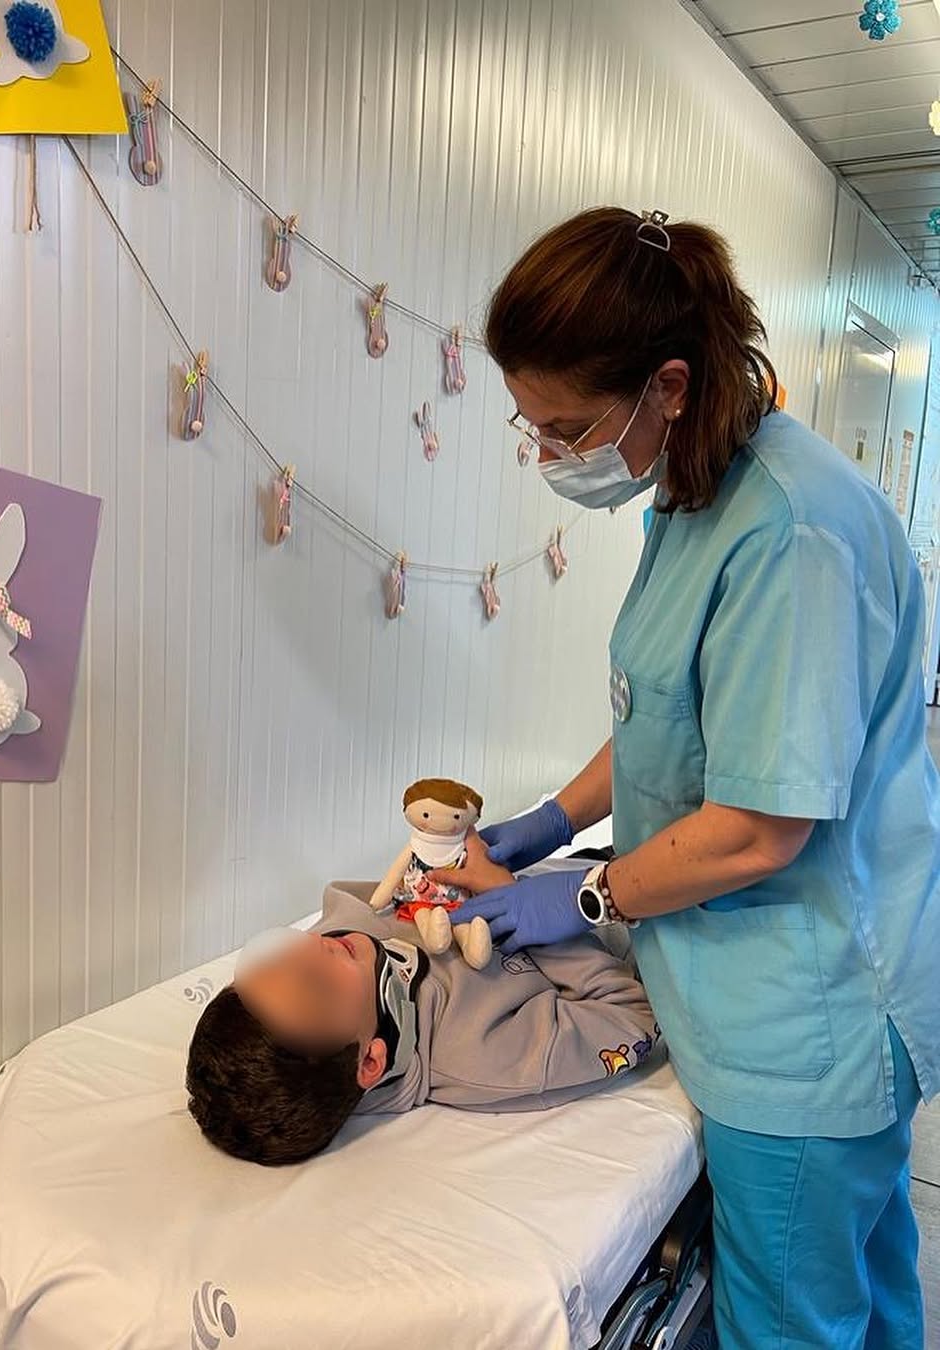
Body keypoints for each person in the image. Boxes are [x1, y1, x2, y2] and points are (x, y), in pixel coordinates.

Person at [432, 207, 940, 1350]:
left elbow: (759, 827)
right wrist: (545, 824)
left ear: (667, 386)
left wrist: (587, 891)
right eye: (532, 429)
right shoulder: (694, 486)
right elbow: (670, 716)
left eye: (566, 429)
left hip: (810, 1015)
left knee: (797, 1321)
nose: (549, 456)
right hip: (780, 975)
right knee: (866, 1291)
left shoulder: (789, 533)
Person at [185, 873, 657, 1165]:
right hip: (629, 906)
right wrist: (536, 909)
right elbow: (633, 1017)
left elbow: (370, 894)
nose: (311, 944)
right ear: (371, 1061)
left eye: (274, 962)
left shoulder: (340, 943)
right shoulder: (481, 1054)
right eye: (317, 982)